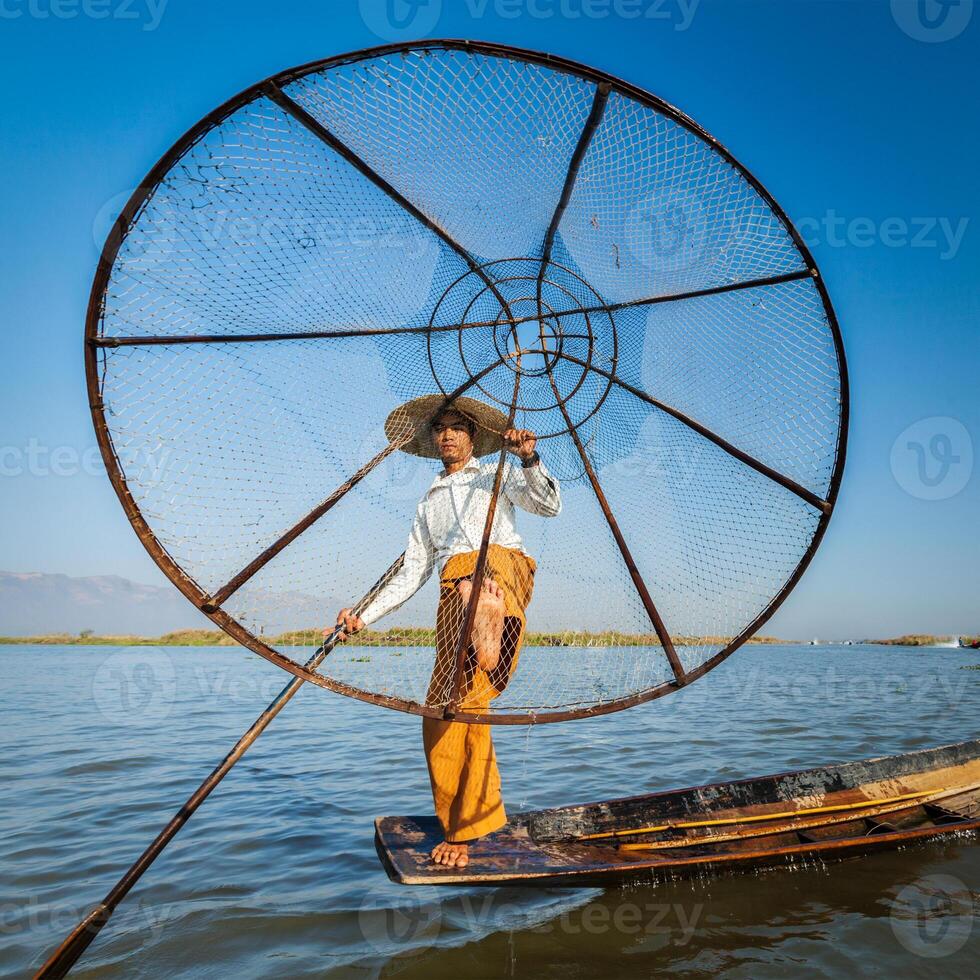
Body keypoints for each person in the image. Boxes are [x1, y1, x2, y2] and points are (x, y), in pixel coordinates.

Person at [332, 394, 561, 869]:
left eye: (458, 426)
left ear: (473, 436)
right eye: (441, 428)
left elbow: (549, 505)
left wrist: (528, 458)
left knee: (473, 577)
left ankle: (485, 619)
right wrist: (363, 615)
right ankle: (467, 817)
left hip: (501, 569)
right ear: (434, 438)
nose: (449, 434)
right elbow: (411, 572)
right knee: (444, 710)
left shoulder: (494, 476)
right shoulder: (428, 502)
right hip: (453, 597)